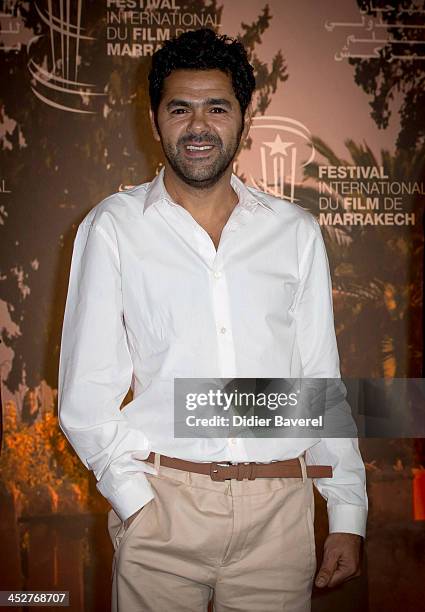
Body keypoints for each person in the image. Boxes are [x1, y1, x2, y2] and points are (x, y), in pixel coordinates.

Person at [58, 28, 367, 612]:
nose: (198, 126)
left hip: (280, 513)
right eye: (180, 108)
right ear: (155, 120)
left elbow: (319, 383)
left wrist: (347, 509)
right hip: (163, 510)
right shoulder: (113, 228)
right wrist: (136, 502)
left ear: (244, 118)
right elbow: (87, 392)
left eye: (217, 108)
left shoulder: (294, 231)